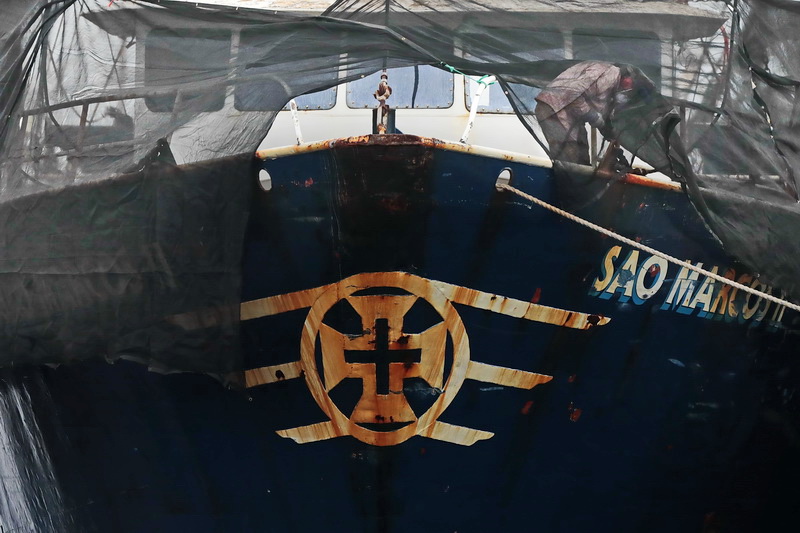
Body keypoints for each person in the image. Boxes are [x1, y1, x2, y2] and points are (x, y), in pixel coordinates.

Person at [535, 60, 641, 167]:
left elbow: (597, 107)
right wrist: (593, 117)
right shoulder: (611, 74)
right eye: (632, 84)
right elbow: (573, 93)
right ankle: (571, 182)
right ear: (627, 76)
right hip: (555, 108)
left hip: (569, 113)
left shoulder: (610, 83)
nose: (629, 89)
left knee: (582, 154)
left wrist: (607, 129)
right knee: (570, 158)